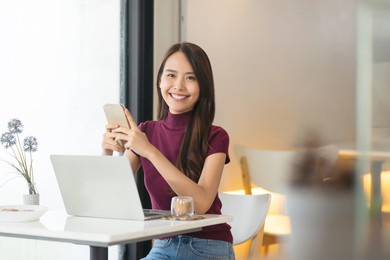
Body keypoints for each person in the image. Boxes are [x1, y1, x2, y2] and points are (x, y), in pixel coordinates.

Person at [102, 42, 234, 260]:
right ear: (160, 80)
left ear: (203, 86)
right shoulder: (145, 132)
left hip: (208, 246)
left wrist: (150, 151)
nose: (179, 86)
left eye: (190, 78)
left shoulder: (216, 136)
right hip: (164, 245)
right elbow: (109, 195)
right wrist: (106, 151)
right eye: (171, 75)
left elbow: (200, 204)